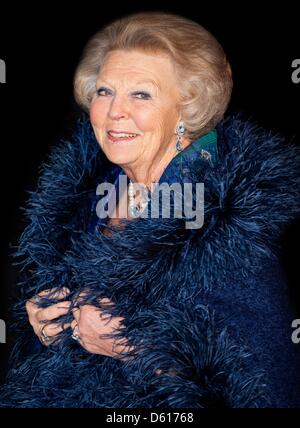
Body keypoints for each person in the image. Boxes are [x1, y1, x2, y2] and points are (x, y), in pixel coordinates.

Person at [0, 11, 300, 408]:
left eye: (141, 94)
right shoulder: (86, 196)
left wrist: (132, 345)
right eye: (104, 91)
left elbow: (265, 387)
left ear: (187, 110)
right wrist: (50, 322)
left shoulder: (228, 221)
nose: (114, 111)